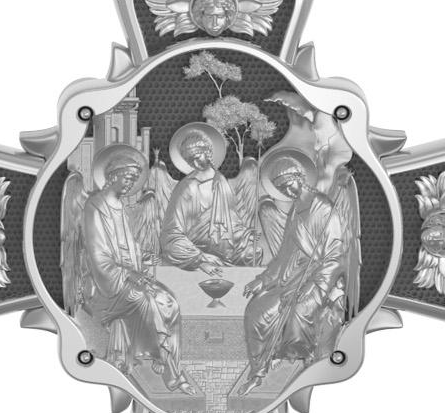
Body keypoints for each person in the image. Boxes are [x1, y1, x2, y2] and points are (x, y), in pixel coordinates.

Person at [81, 146, 195, 394]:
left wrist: (143, 257)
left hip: (127, 276)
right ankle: (171, 373)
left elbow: (127, 246)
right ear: (112, 175)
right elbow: (97, 254)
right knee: (147, 302)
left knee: (170, 302)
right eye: (127, 178)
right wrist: (127, 273)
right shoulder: (95, 205)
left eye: (134, 180)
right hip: (105, 284)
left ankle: (164, 358)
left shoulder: (119, 205)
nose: (131, 184)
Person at [238, 155, 346, 394]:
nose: (288, 191)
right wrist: (262, 280)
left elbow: (336, 256)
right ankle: (258, 373)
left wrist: (315, 285)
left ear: (300, 177)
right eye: (282, 189)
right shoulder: (295, 211)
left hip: (320, 277)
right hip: (291, 277)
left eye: (290, 184)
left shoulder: (323, 207)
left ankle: (297, 365)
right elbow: (284, 255)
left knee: (300, 310)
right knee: (257, 311)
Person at [160, 124, 257, 271]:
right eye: (190, 161)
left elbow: (231, 222)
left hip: (223, 246)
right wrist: (199, 259)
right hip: (193, 248)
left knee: (254, 252)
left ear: (207, 151)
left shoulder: (221, 182)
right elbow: (171, 234)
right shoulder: (186, 188)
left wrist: (245, 235)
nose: (195, 163)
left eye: (197, 157)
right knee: (181, 251)